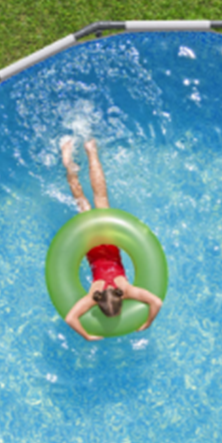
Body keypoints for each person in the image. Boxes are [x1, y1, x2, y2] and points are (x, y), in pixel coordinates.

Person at [59, 137, 163, 341]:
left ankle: (90, 149)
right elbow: (70, 318)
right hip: (90, 242)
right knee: (81, 201)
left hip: (108, 235)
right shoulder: (93, 296)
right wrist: (87, 336)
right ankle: (67, 153)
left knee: (100, 197)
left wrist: (149, 321)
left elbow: (157, 302)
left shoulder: (125, 290)